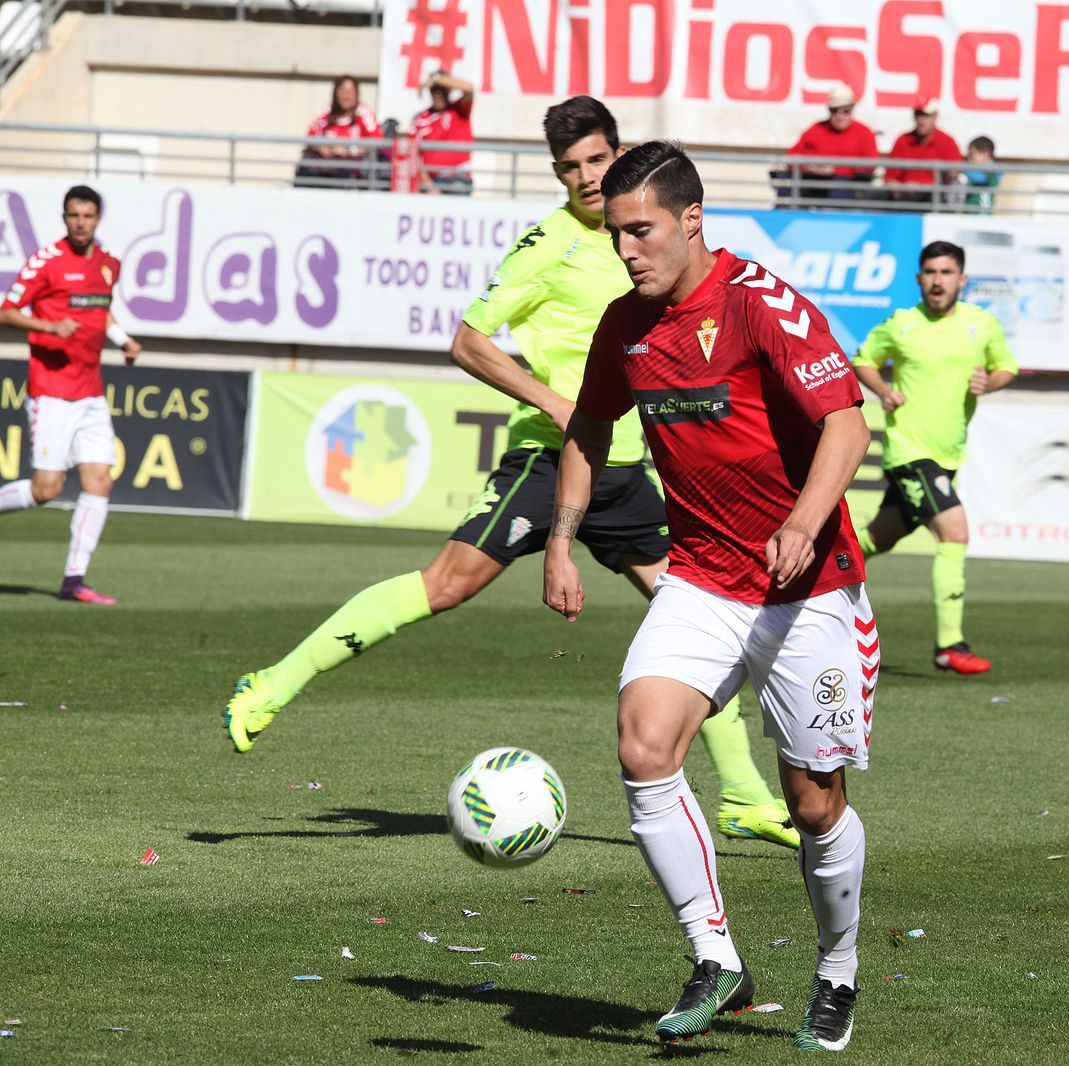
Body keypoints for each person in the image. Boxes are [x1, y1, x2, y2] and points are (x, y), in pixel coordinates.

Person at [223, 98, 799, 850]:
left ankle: (746, 798)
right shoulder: (546, 247)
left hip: (620, 472)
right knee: (448, 584)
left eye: (596, 161)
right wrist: (555, 402)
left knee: (694, 627)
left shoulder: (647, 240)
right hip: (546, 458)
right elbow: (468, 342)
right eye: (569, 168)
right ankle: (270, 684)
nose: (586, 178)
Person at [545, 141, 875, 1051]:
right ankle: (716, 957)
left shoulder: (759, 304)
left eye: (640, 230)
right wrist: (564, 540)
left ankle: (838, 971)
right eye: (616, 234)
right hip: (702, 577)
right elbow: (587, 426)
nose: (627, 250)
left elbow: (845, 422)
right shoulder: (626, 325)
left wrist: (807, 520)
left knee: (813, 805)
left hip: (809, 588)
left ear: (692, 220)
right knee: (643, 743)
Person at [852, 240, 1016, 675]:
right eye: (930, 272)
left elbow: (1006, 367)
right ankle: (950, 645)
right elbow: (863, 359)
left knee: (874, 540)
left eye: (946, 273)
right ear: (919, 279)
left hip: (947, 456)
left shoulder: (982, 324)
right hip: (910, 452)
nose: (937, 281)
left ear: (961, 279)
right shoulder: (902, 324)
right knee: (955, 532)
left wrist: (990, 382)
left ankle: (823, 566)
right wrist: (884, 391)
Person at [0, 185, 140, 605]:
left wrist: (123, 339)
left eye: (88, 216)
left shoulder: (108, 263)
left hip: (91, 392)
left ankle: (74, 579)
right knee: (46, 490)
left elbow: (102, 308)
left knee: (100, 481)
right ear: (64, 218)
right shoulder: (46, 262)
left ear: (98, 218)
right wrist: (48, 327)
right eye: (74, 216)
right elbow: (7, 311)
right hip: (53, 391)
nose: (81, 223)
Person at [784, 83, 878, 206]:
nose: (840, 117)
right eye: (834, 111)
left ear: (852, 109)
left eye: (845, 111)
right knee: (786, 190)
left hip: (845, 186)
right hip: (813, 181)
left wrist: (836, 170)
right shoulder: (817, 129)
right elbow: (792, 156)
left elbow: (870, 165)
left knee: (839, 188)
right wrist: (809, 166)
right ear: (829, 111)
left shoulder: (864, 132)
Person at [296, 75, 381, 189]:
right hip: (321, 169)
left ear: (357, 93)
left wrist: (349, 150)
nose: (346, 95)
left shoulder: (363, 112)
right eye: (342, 90)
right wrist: (320, 147)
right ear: (335, 92)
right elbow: (310, 137)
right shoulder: (326, 111)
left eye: (351, 90)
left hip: (349, 172)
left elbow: (378, 142)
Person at [883, 97, 962, 204]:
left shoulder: (946, 141)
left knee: (935, 197)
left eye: (925, 115)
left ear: (935, 116)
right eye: (918, 115)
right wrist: (900, 188)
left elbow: (953, 175)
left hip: (933, 196)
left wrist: (923, 187)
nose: (920, 121)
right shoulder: (903, 140)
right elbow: (891, 177)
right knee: (875, 196)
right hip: (904, 196)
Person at [412, 71, 475, 195]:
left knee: (458, 189)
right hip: (431, 181)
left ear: (450, 90)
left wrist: (436, 79)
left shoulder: (460, 109)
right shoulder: (420, 118)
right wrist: (429, 185)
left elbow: (469, 88)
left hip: (458, 178)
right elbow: (415, 154)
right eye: (434, 90)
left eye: (442, 89)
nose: (438, 94)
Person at [959, 135, 1001, 213]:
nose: (969, 158)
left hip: (983, 217)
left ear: (986, 154)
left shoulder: (993, 173)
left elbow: (980, 178)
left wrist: (963, 170)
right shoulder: (971, 171)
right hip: (970, 217)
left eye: (972, 154)